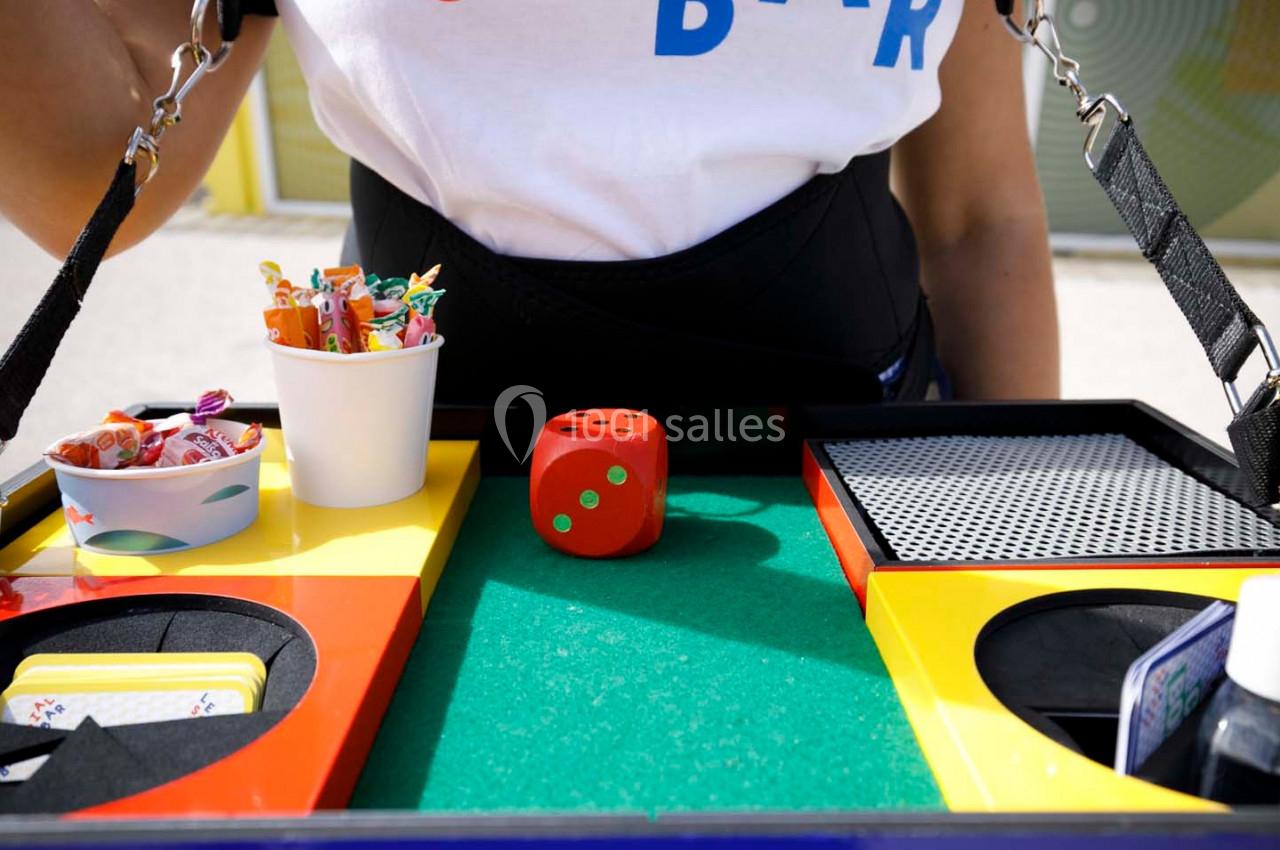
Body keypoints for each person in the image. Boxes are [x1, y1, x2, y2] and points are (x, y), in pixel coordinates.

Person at [0, 0, 1058, 410]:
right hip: (406, 465)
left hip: (856, 441)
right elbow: (90, 184)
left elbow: (979, 220)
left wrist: (1012, 544)